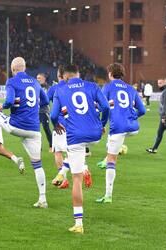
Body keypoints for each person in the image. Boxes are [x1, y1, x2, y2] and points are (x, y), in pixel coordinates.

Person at [51, 64, 109, 234]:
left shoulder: (60, 90)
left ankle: (78, 224)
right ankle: (81, 164)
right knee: (79, 151)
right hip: (95, 135)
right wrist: (102, 124)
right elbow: (105, 107)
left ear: (65, 76)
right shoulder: (92, 86)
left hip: (76, 136)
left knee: (76, 179)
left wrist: (56, 125)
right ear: (78, 74)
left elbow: (54, 115)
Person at [0, 57, 49, 208]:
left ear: (13, 70)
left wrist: (2, 105)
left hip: (16, 125)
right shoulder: (35, 82)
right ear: (25, 68)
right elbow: (45, 101)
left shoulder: (12, 81)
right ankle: (43, 199)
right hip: (34, 130)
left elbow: (10, 101)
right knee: (37, 165)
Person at [95, 63, 146, 204]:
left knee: (112, 160)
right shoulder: (130, 88)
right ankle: (115, 151)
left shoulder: (108, 87)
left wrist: (101, 124)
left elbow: (103, 107)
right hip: (134, 127)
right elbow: (142, 110)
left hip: (118, 128)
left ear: (110, 73)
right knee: (114, 143)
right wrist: (131, 117)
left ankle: (108, 195)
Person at [48, 66, 92, 189]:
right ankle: (84, 168)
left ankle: (63, 178)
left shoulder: (55, 88)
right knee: (73, 151)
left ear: (60, 75)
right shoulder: (73, 88)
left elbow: (45, 101)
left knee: (58, 152)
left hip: (60, 125)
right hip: (73, 125)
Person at [37, 73, 52, 150]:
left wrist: (38, 104)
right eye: (37, 78)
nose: (38, 79)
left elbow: (47, 100)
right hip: (36, 112)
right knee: (36, 129)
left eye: (39, 78)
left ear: (44, 78)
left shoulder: (48, 88)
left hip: (44, 111)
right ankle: (39, 147)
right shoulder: (36, 87)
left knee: (46, 128)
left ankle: (51, 145)